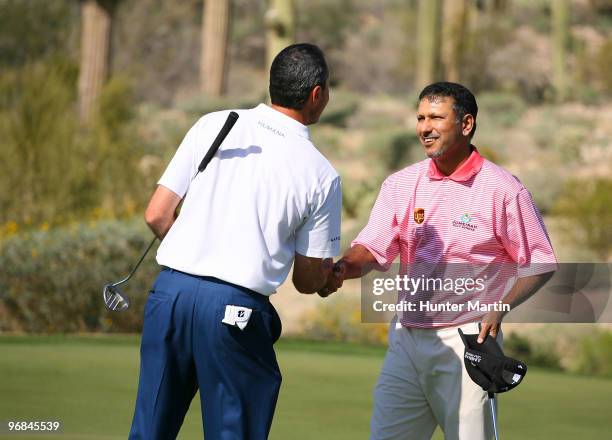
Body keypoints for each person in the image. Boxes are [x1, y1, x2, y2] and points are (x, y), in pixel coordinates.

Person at [129, 43, 341, 440]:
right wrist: (326, 278)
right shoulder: (321, 173)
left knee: (149, 429)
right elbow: (307, 279)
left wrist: (202, 250)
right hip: (235, 310)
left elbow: (157, 214)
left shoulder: (214, 122)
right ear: (317, 94)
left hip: (169, 295)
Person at [321, 82, 557, 440]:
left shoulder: (503, 189)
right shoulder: (400, 184)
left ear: (466, 124)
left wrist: (499, 307)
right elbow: (371, 247)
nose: (424, 127)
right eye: (420, 117)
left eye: (436, 117)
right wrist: (339, 269)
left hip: (466, 340)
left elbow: (540, 261)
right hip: (406, 338)